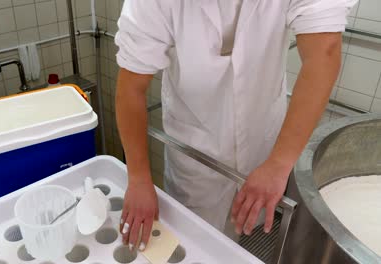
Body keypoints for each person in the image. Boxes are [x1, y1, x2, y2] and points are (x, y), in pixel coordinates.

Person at [114, 0, 357, 251]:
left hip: (263, 138)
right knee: (194, 242)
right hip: (194, 146)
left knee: (244, 238)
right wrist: (139, 179)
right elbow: (132, 87)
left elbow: (323, 53)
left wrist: (278, 163)